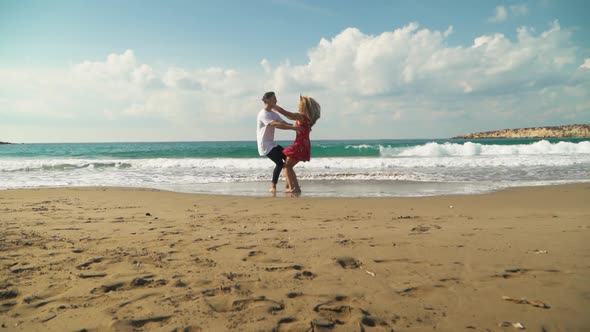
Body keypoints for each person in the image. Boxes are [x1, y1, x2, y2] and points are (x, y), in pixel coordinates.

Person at [271, 95, 321, 194]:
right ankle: (296, 188)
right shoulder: (309, 120)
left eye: (300, 103)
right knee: (288, 166)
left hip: (299, 145)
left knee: (287, 166)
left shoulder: (301, 116)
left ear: (303, 106)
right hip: (305, 145)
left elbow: (287, 114)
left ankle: (292, 188)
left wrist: (274, 106)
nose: (298, 104)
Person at [257, 91, 300, 193]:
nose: (276, 100)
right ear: (267, 100)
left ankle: (289, 184)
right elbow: (276, 124)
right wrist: (293, 128)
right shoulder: (263, 114)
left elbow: (283, 122)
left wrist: (296, 126)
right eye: (274, 98)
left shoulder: (273, 114)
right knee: (280, 163)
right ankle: (273, 187)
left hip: (272, 143)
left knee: (288, 160)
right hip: (265, 145)